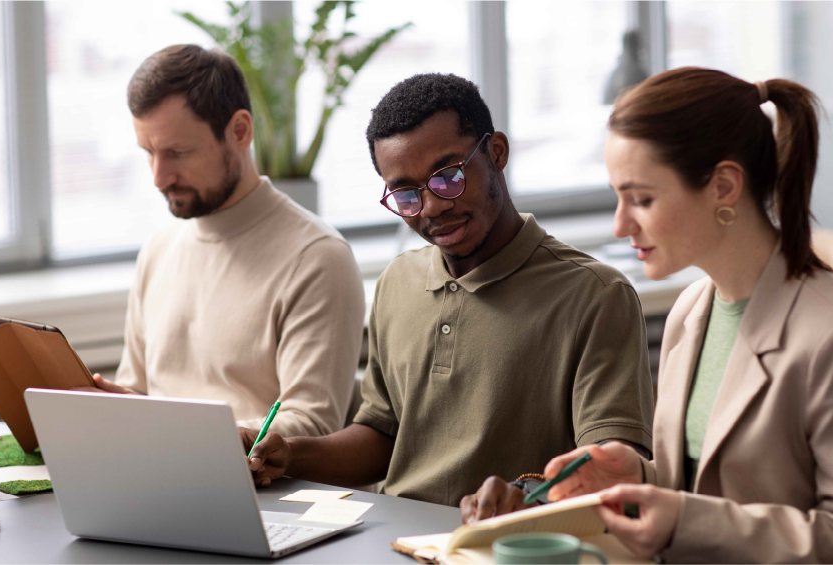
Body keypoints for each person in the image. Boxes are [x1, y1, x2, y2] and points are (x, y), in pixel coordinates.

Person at [504, 68, 833, 564]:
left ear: (723, 186)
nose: (620, 223)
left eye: (642, 199)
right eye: (617, 196)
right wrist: (636, 476)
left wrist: (682, 520)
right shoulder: (691, 313)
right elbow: (703, 488)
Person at [242, 73, 655, 508]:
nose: (434, 206)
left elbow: (611, 470)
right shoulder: (397, 283)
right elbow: (382, 437)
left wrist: (526, 495)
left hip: (508, 545)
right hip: (392, 542)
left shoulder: (596, 295)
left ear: (496, 153)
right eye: (406, 194)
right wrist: (288, 452)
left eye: (448, 176)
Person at [79, 45, 365, 439]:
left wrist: (178, 437)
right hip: (160, 479)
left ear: (240, 131)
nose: (159, 178)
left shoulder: (317, 259)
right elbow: (138, 395)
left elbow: (311, 426)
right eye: (149, 153)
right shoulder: (158, 252)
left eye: (178, 152)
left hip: (265, 494)